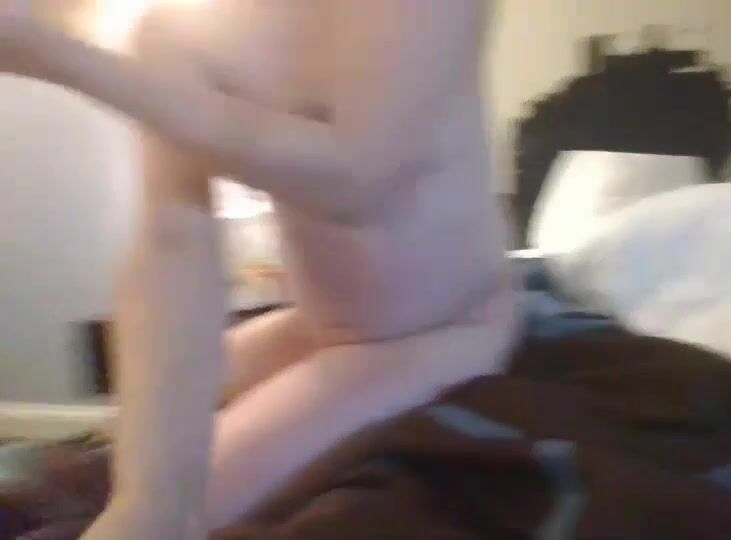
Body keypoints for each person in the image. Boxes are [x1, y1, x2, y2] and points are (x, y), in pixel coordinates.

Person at [0, 1, 519, 538]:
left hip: (443, 327)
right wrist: (145, 496)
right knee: (143, 432)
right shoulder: (180, 30)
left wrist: (63, 59)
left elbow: (357, 180)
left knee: (207, 495)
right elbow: (174, 240)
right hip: (315, 328)